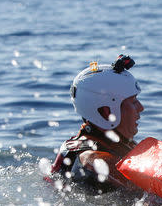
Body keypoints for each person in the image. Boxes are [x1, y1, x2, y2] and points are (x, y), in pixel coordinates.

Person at [51, 55, 144, 192]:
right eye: (133, 102)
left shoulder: (93, 143)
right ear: (107, 112)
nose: (141, 107)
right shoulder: (95, 159)